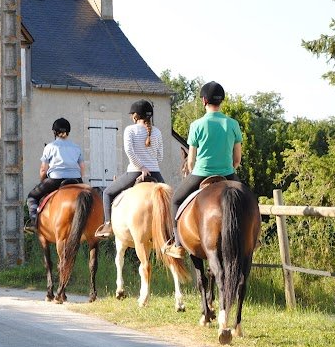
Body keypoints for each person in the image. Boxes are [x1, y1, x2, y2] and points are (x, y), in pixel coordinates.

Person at [163, 81, 242, 258]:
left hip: (201, 173)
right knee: (248, 200)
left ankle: (177, 244)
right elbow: (237, 159)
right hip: (228, 173)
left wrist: (193, 170)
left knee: (175, 200)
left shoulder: (197, 125)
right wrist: (229, 168)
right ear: (221, 100)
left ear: (204, 101)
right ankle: (252, 239)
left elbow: (190, 161)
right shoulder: (233, 124)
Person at [95, 99, 165, 238]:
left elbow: (129, 151)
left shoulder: (130, 130)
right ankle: (171, 233)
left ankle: (108, 224)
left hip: (135, 172)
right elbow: (160, 156)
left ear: (135, 116)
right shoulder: (157, 132)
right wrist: (150, 164)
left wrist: (141, 167)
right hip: (156, 173)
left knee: (107, 193)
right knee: (168, 199)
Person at [24, 117, 86, 234]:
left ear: (54, 132)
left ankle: (34, 223)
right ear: (68, 132)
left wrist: (42, 181)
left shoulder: (50, 147)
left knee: (32, 196)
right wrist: (80, 180)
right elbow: (82, 168)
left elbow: (43, 169)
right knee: (90, 197)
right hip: (76, 179)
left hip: (56, 179)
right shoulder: (76, 147)